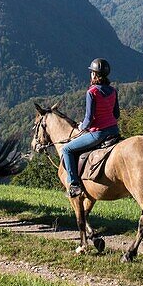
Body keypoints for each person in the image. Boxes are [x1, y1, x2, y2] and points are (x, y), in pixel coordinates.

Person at [60, 58, 121, 198]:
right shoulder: (113, 91)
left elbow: (88, 119)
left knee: (66, 149)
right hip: (114, 131)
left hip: (98, 134)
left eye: (92, 72)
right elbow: (116, 115)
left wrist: (82, 126)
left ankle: (74, 185)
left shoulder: (92, 92)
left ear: (94, 74)